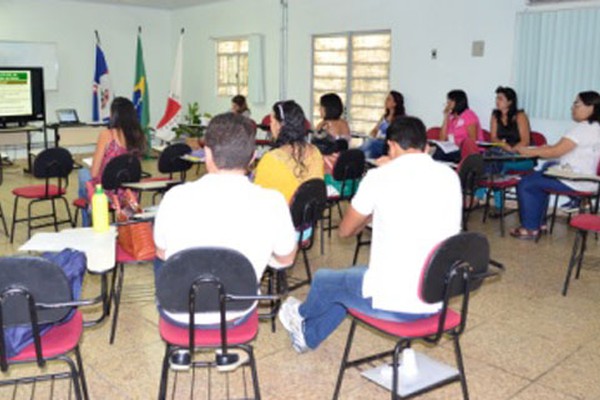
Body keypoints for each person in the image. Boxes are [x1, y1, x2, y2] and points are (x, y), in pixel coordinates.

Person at [278, 116, 462, 352]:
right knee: (351, 280)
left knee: (325, 279)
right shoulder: (450, 177)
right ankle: (308, 336)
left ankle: (299, 315)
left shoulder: (379, 178)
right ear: (426, 147)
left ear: (392, 146)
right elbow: (416, 213)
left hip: (397, 304)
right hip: (437, 297)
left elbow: (345, 231)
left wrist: (379, 177)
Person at [153, 112, 297, 326]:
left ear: (207, 154)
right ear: (252, 158)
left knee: (162, 258)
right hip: (237, 309)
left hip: (179, 310)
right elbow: (286, 259)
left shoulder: (175, 197)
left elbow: (163, 254)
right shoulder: (273, 202)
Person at [510, 91, 600, 240]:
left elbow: (556, 151)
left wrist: (530, 152)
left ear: (591, 108)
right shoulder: (595, 127)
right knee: (542, 172)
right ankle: (539, 223)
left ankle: (530, 229)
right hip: (586, 178)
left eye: (577, 104)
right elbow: (562, 148)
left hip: (576, 181)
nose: (573, 107)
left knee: (526, 183)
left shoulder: (583, 129)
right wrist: (545, 149)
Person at [77, 97, 146, 226]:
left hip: (106, 191)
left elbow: (94, 173)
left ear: (114, 115)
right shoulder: (138, 136)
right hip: (128, 191)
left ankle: (88, 221)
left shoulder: (107, 134)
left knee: (83, 174)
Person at [254, 100, 324, 203]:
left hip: (281, 215)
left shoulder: (272, 159)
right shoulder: (315, 151)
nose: (270, 125)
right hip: (309, 215)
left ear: (279, 126)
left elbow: (258, 199)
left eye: (272, 121)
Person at [481, 87, 534, 212]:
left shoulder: (520, 116)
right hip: (501, 151)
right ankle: (497, 204)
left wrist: (512, 150)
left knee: (492, 159)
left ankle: (480, 194)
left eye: (500, 99)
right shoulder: (495, 115)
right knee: (492, 157)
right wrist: (503, 146)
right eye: (496, 98)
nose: (497, 101)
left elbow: (525, 141)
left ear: (510, 102)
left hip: (521, 154)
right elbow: (493, 137)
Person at [435, 90, 483, 163]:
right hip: (453, 149)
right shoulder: (451, 117)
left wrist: (458, 146)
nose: (448, 103)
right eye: (448, 100)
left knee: (438, 155)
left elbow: (472, 141)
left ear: (459, 102)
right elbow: (442, 139)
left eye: (451, 101)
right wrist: (446, 117)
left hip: (467, 151)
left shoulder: (468, 115)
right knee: (434, 152)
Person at [360, 90, 405, 159]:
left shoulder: (400, 119)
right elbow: (374, 131)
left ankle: (355, 155)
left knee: (371, 144)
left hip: (387, 145)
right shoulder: (384, 116)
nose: (385, 101)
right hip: (377, 141)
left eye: (388, 99)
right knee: (368, 149)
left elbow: (396, 136)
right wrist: (375, 133)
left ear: (395, 103)